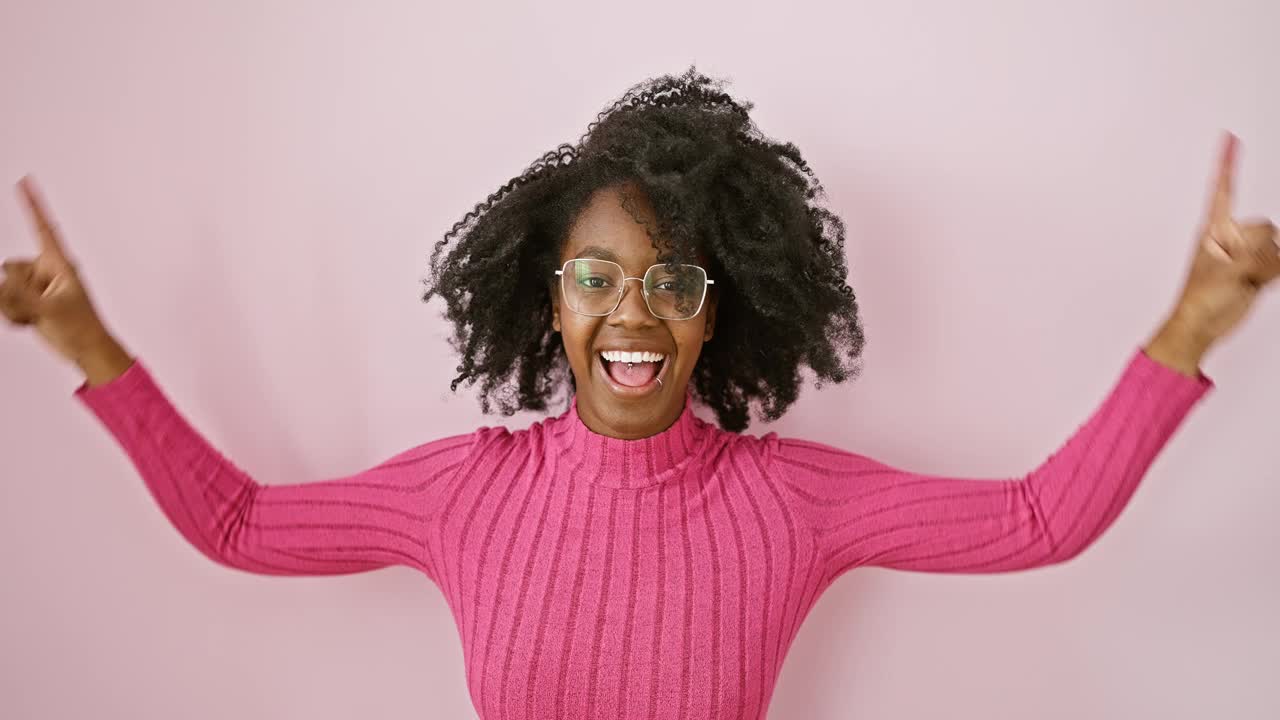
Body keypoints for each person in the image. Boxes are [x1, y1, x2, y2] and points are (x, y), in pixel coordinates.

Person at [2, 68, 1274, 719]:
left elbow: (1040, 520)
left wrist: (1192, 322)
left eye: (672, 280)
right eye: (597, 277)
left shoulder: (792, 502)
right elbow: (235, 524)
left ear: (716, 309)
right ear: (546, 300)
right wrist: (80, 334)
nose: (632, 312)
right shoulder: (464, 494)